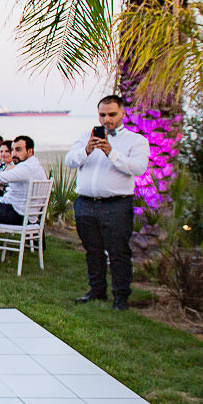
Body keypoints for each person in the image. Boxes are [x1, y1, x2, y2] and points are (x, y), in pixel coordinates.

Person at [65, 94, 151, 311]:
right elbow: (69, 161)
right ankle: (96, 291)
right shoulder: (87, 136)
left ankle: (121, 297)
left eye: (112, 114)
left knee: (118, 251)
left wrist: (111, 153)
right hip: (86, 204)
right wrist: (87, 150)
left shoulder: (136, 140)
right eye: (102, 115)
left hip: (116, 205)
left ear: (122, 113)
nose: (106, 119)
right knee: (92, 250)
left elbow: (139, 168)